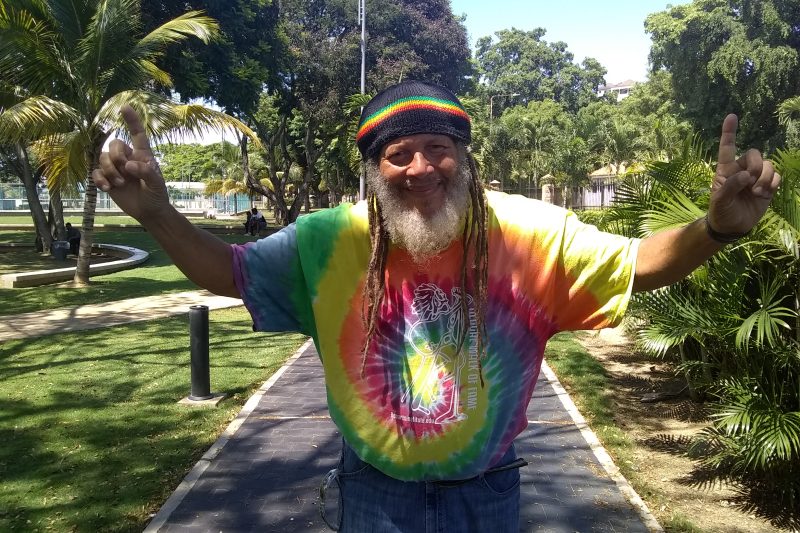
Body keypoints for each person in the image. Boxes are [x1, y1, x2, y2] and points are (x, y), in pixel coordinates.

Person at [92, 81, 780, 532]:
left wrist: (714, 230)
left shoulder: (530, 232)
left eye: (438, 149)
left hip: (486, 492)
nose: (420, 168)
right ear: (374, 170)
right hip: (373, 494)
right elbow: (230, 272)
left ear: (464, 157)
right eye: (399, 154)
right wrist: (157, 214)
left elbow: (637, 263)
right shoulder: (329, 240)